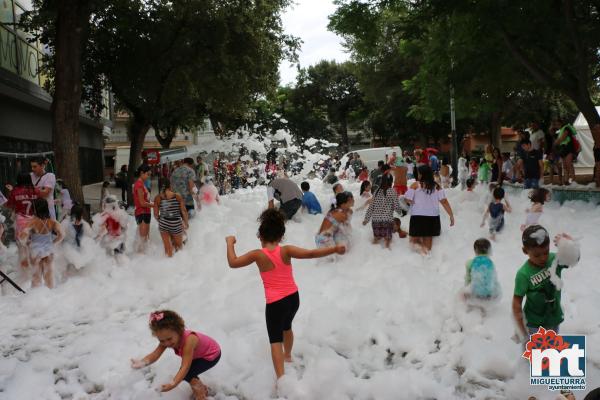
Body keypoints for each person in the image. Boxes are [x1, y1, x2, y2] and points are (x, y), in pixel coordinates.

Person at [225, 209, 345, 379]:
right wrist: (334, 249)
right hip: (293, 299)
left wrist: (230, 243)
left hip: (275, 304)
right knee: (287, 327)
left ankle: (281, 381)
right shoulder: (286, 250)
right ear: (281, 237)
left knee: (275, 341)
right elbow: (311, 253)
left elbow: (233, 262)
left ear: (260, 235)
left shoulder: (258, 255)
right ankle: (288, 356)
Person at [131, 310, 220, 400]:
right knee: (188, 374)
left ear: (179, 331)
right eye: (161, 340)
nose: (166, 343)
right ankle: (202, 388)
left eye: (169, 339)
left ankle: (201, 395)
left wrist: (172, 384)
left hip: (211, 355)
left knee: (188, 373)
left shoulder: (189, 341)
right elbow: (155, 354)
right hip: (198, 354)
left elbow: (185, 367)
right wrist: (142, 362)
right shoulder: (166, 339)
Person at [512, 225, 578, 339]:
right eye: (536, 255)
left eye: (546, 252)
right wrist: (521, 329)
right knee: (538, 353)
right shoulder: (524, 274)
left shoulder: (554, 260)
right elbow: (516, 303)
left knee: (551, 348)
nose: (543, 258)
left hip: (554, 318)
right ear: (525, 251)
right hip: (534, 323)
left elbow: (573, 260)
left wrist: (570, 247)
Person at [404, 165, 454, 255]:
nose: (418, 175)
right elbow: (444, 202)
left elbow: (407, 200)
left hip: (417, 217)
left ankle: (418, 261)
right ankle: (427, 262)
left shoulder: (415, 185)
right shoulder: (436, 186)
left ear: (422, 174)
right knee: (428, 247)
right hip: (432, 218)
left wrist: (411, 201)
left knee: (413, 243)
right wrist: (451, 215)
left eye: (419, 173)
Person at [19, 198, 64, 288]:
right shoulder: (52, 222)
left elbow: (22, 237)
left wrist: (27, 243)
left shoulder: (32, 222)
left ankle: (37, 298)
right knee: (49, 276)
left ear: (36, 209)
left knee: (36, 277)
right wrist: (53, 242)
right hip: (49, 250)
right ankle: (49, 296)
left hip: (35, 251)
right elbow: (62, 235)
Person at [362, 174, 407, 248]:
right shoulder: (392, 191)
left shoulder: (376, 191)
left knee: (376, 240)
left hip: (375, 220)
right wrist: (401, 213)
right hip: (387, 220)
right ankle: (387, 255)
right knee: (387, 241)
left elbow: (371, 207)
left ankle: (372, 254)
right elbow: (396, 206)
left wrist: (366, 219)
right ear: (391, 182)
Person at [5, 173, 38, 267]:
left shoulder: (15, 191)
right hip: (34, 220)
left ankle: (25, 269)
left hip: (21, 220)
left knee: (22, 245)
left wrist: (11, 192)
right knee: (33, 243)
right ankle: (35, 266)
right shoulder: (35, 190)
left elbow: (9, 205)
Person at [154, 179, 188, 257]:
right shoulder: (177, 196)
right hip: (176, 223)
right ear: (170, 186)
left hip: (163, 223)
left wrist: (161, 220)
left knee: (167, 248)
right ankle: (177, 266)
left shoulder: (157, 198)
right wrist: (186, 223)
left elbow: (156, 215)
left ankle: (167, 265)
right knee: (179, 248)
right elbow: (184, 211)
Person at [134, 164, 153, 252]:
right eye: (148, 174)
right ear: (142, 173)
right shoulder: (138, 184)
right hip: (142, 212)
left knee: (145, 240)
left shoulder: (142, 183)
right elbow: (142, 203)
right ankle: (140, 261)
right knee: (142, 241)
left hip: (145, 212)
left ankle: (144, 261)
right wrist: (154, 205)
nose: (149, 176)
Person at [593, 123, 600, 188]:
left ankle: (597, 184)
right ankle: (598, 184)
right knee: (598, 167)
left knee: (598, 167)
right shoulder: (598, 128)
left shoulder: (595, 129)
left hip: (596, 149)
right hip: (598, 149)